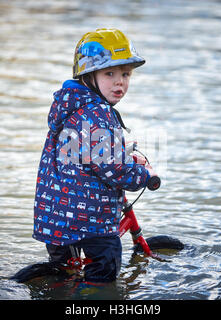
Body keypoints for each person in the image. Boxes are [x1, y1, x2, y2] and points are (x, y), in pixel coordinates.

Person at [32, 28, 150, 283]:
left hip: (55, 214)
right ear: (88, 75)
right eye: (110, 73)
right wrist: (144, 174)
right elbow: (115, 169)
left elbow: (87, 153)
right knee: (106, 262)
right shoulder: (98, 114)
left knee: (64, 274)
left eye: (126, 74)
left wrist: (120, 153)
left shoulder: (70, 105)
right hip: (87, 218)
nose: (120, 82)